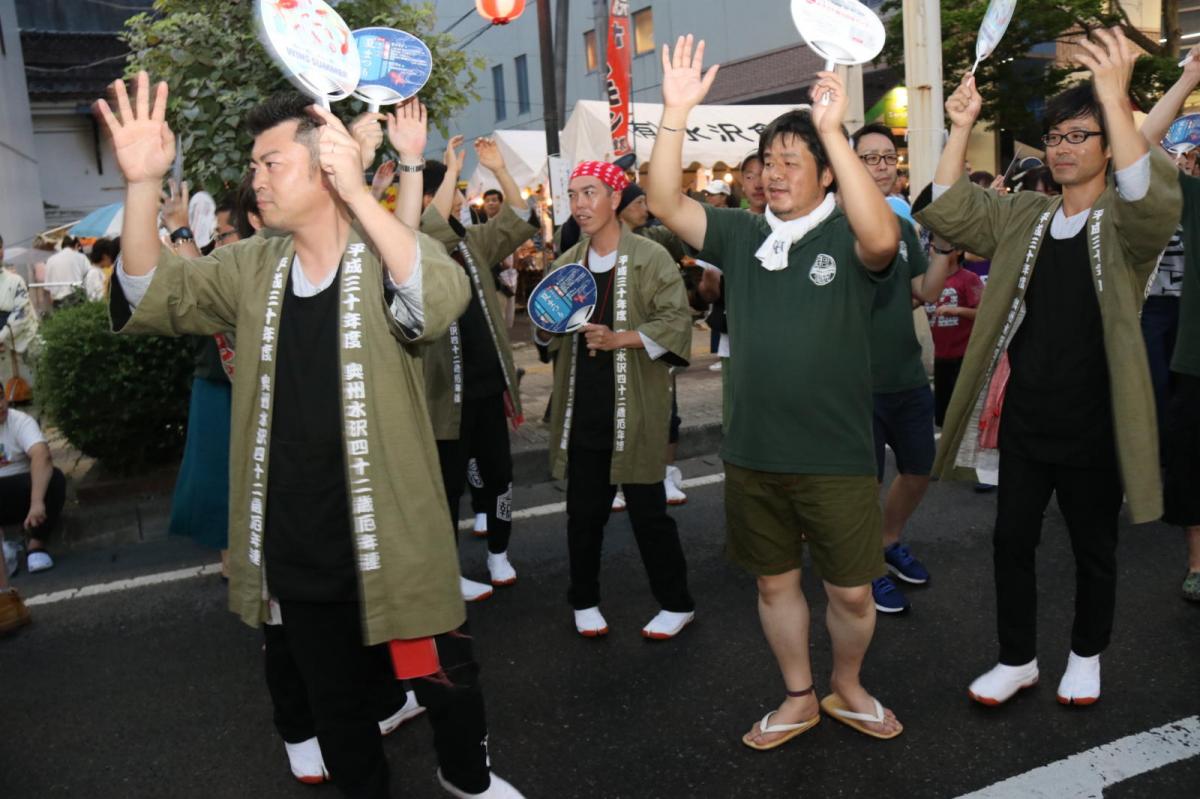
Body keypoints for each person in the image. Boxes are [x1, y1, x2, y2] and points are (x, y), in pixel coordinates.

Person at [96, 74, 522, 799]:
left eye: (270, 164)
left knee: (444, 674)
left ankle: (468, 775)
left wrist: (362, 192)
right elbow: (152, 292)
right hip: (297, 536)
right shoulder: (250, 265)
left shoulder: (383, 250)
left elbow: (436, 296)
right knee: (337, 706)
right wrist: (142, 184)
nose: (254, 179)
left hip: (392, 529)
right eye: (254, 165)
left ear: (324, 169)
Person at [648, 35, 903, 746]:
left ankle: (847, 684)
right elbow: (664, 198)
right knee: (772, 582)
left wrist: (831, 132)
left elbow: (883, 242)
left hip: (837, 452)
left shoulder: (850, 234)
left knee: (850, 589)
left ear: (828, 175)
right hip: (754, 451)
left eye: (795, 161)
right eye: (769, 161)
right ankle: (799, 692)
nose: (777, 172)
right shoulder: (739, 233)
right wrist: (676, 114)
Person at [916, 28, 1181, 707]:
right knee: (1010, 539)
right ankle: (1017, 658)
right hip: (1029, 414)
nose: (1063, 149)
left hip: (1096, 418)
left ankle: (1086, 654)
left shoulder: (1125, 224)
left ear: (1105, 145)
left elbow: (1151, 198)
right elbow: (950, 209)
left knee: (1094, 545)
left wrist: (1118, 103)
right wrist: (960, 125)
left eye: (1078, 137)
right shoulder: (1027, 214)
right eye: (1055, 137)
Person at [539, 159, 695, 640]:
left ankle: (677, 603)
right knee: (583, 516)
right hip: (583, 406)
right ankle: (583, 599)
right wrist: (547, 327)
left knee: (650, 514)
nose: (580, 204)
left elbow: (677, 321)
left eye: (590, 193)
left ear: (613, 198)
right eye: (573, 195)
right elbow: (548, 335)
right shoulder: (566, 265)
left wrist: (620, 338)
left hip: (637, 410)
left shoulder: (651, 257)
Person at [392, 121, 535, 598]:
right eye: (447, 190)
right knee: (446, 486)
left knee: (498, 474)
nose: (456, 198)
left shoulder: (471, 242)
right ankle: (446, 569)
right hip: (441, 398)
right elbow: (423, 224)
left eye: (455, 190)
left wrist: (498, 168)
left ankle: (498, 552)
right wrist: (450, 168)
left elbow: (518, 214)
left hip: (488, 385)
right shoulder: (408, 250)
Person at [852, 122, 952, 614]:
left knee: (918, 470)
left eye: (888, 157)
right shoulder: (837, 224)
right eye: (869, 158)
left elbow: (924, 292)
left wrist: (947, 251)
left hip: (907, 374)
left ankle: (888, 543)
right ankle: (866, 566)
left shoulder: (905, 225)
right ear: (850, 165)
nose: (882, 166)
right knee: (860, 486)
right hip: (854, 381)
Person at [1139, 45, 1200, 602]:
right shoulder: (1174, 191)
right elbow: (1139, 148)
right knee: (1167, 410)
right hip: (1170, 323)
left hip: (1187, 321)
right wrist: (1189, 79)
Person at [0, 390, 66, 576]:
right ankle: (4, 549)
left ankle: (36, 546)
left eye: (0, 397)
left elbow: (41, 455)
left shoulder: (20, 421)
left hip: (23, 494)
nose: (0, 405)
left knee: (54, 479)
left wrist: (37, 502)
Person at [923, 244, 982, 427]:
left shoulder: (969, 278)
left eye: (941, 248)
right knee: (944, 421)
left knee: (965, 421)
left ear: (957, 251)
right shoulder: (928, 283)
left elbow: (984, 313)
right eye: (932, 247)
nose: (934, 251)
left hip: (964, 360)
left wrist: (956, 310)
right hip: (941, 359)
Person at [43, 235, 89, 305]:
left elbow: (48, 288)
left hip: (58, 302)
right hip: (77, 299)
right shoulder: (81, 257)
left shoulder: (50, 260)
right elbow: (89, 277)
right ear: (76, 245)